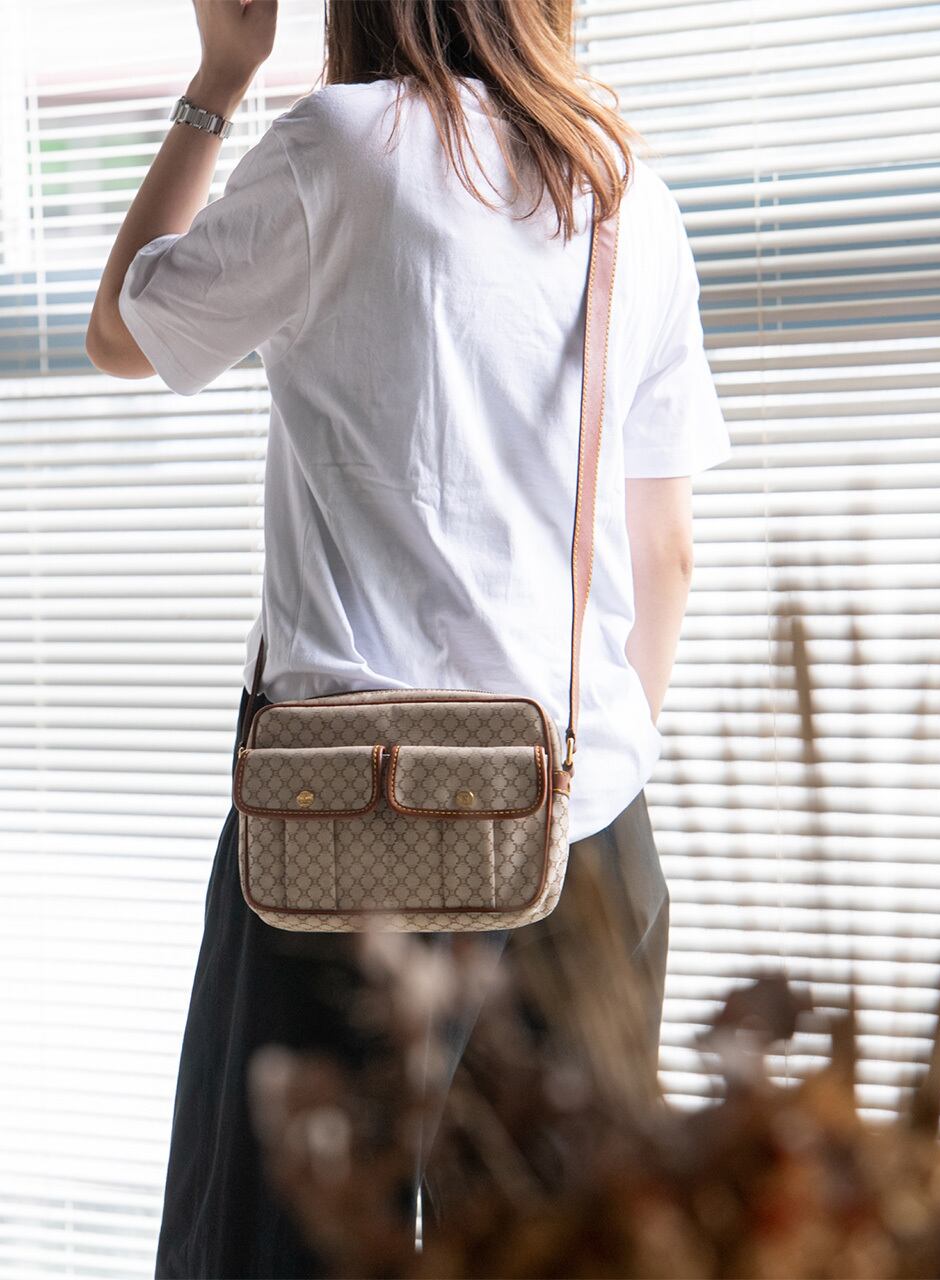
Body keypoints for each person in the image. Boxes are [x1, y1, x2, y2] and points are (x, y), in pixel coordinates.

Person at [85, 1, 730, 1275]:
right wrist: (568, 774)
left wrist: (221, 75)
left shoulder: (343, 147)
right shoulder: (627, 198)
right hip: (583, 826)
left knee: (294, 1239)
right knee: (568, 1245)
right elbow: (666, 549)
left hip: (344, 819)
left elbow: (124, 331)